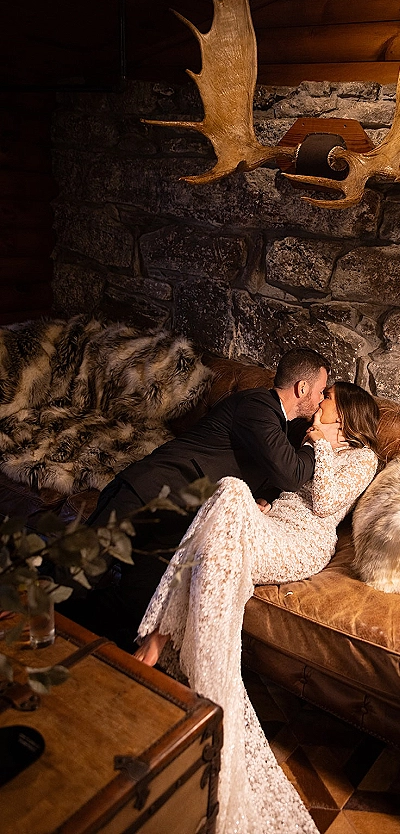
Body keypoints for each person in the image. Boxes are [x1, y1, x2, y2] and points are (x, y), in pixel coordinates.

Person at [134, 381, 381, 834]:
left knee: (227, 492)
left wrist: (321, 448)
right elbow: (285, 487)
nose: (318, 403)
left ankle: (160, 643)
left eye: (327, 400)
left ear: (343, 414)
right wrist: (263, 502)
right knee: (228, 500)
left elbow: (325, 503)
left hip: (303, 544)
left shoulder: (362, 458)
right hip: (272, 526)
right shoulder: (304, 441)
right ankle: (177, 656)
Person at [61, 348, 330, 649]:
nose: (321, 400)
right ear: (302, 388)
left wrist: (265, 495)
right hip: (146, 494)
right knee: (71, 581)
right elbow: (290, 473)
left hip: (175, 524)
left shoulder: (279, 424)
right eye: (320, 391)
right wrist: (315, 444)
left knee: (133, 612)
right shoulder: (258, 406)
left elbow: (267, 471)